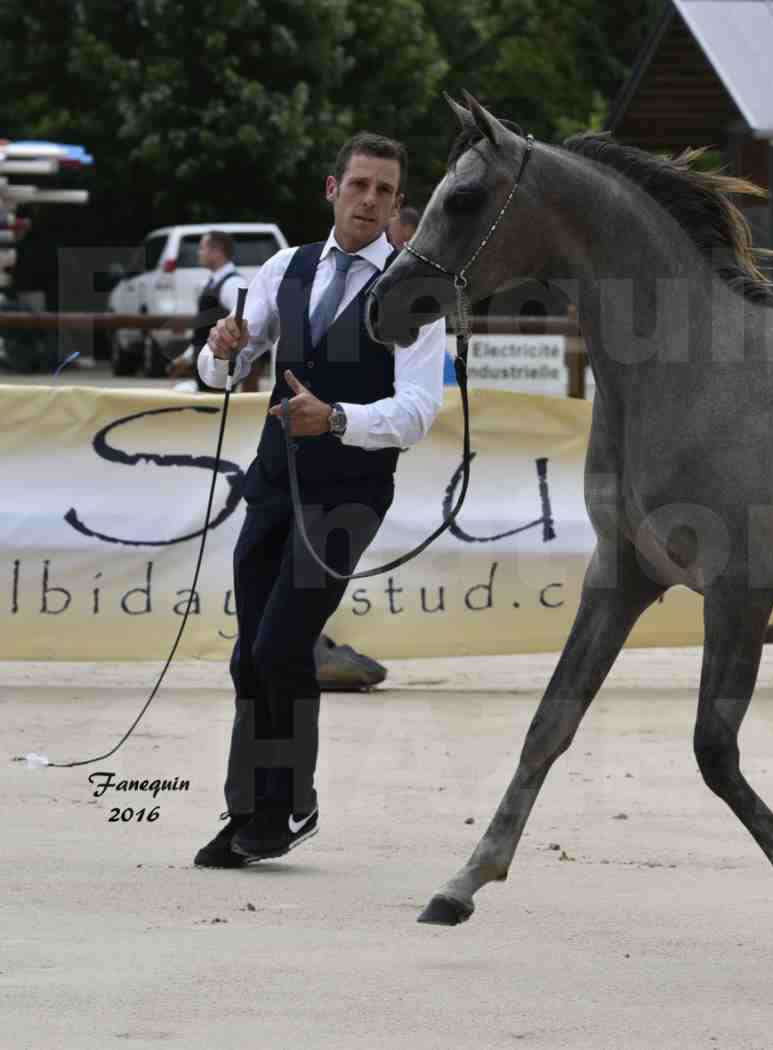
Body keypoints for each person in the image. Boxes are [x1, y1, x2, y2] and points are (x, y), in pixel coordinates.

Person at [192, 131, 446, 868]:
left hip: (348, 494)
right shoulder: (284, 267)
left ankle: (286, 808)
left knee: (279, 645)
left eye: (385, 191)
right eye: (359, 185)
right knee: (250, 656)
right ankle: (251, 810)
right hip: (272, 481)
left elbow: (419, 411)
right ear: (331, 188)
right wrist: (222, 347)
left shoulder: (414, 292)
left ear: (399, 205)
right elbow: (221, 374)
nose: (370, 200)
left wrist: (336, 419)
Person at [169, 231, 265, 393]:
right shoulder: (214, 282)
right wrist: (187, 357)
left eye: (202, 248)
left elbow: (247, 326)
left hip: (220, 373)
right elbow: (205, 329)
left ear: (216, 251)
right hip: (206, 369)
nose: (198, 253)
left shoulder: (233, 284)